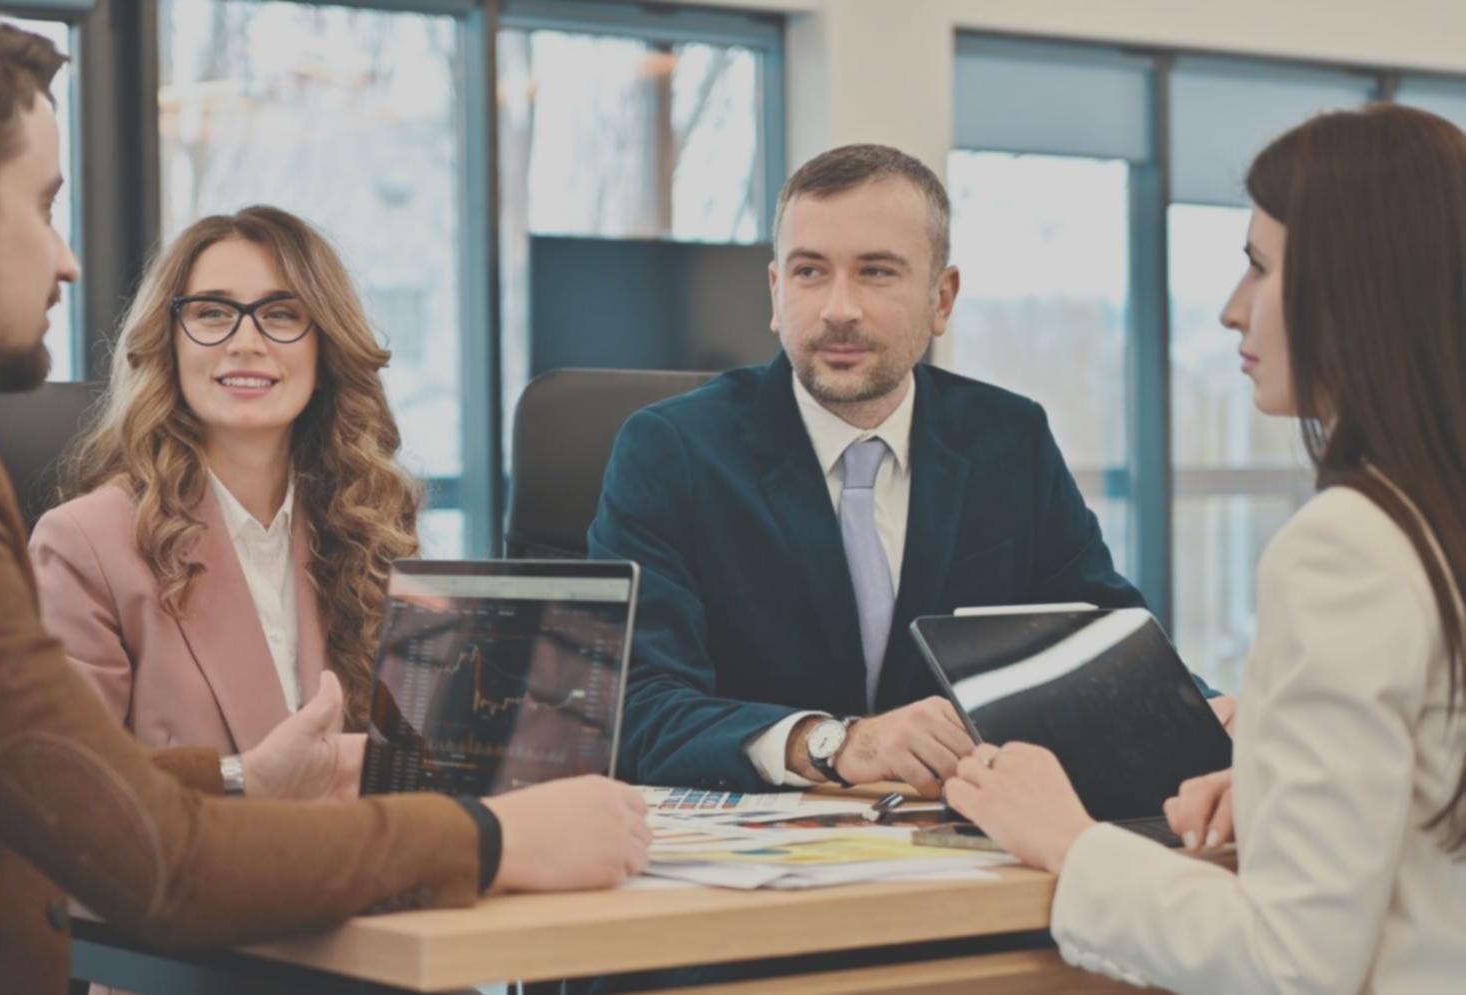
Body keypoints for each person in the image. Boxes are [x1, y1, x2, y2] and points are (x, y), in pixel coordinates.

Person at [0, 4, 646, 992]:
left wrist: (246, 779)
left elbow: (33, 787)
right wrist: (494, 832)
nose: (67, 259)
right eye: (43, 205)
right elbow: (155, 864)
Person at [947, 104, 1466, 993]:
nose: (1231, 311)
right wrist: (1275, 774)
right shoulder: (1433, 523)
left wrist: (1069, 841)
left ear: (1354, 287)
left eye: (1259, 268)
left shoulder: (1347, 545)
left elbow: (1289, 966)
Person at [588, 143, 1224, 796]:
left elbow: (1106, 647)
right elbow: (634, 709)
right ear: (777, 292)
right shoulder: (671, 452)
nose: (838, 307)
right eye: (809, 272)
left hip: (955, 846)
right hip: (741, 860)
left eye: (875, 272)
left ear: (941, 297)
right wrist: (835, 742)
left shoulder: (1007, 438)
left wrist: (1204, 714)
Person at [30, 206, 417, 802]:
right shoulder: (85, 545)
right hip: (194, 887)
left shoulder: (372, 528)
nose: (246, 341)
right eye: (212, 313)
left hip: (365, 880)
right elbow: (65, 790)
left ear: (326, 348)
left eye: (281, 314)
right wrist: (244, 779)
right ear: (170, 341)